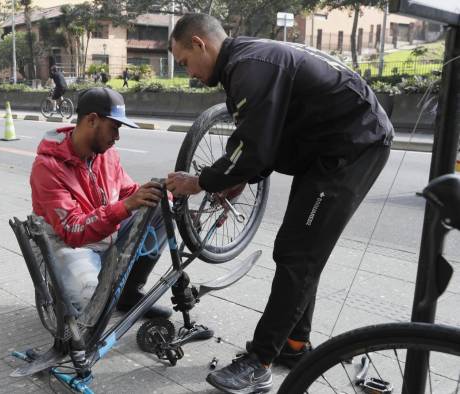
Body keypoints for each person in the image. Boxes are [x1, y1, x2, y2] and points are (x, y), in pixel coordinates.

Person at [166, 13, 393, 394]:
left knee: (298, 253)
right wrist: (238, 174)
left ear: (199, 44)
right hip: (326, 146)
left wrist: (201, 181)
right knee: (300, 250)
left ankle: (259, 363)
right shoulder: (248, 61)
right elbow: (262, 136)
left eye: (185, 62)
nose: (188, 72)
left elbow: (254, 147)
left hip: (352, 147)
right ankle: (294, 345)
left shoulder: (249, 67)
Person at [30, 87, 172, 318]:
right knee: (92, 305)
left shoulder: (107, 155)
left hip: (104, 238)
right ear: (92, 120)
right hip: (68, 247)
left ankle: (130, 293)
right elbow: (72, 230)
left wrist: (168, 192)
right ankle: (65, 295)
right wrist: (125, 206)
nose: (117, 137)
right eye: (114, 127)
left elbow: (130, 191)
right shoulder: (47, 167)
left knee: (161, 209)